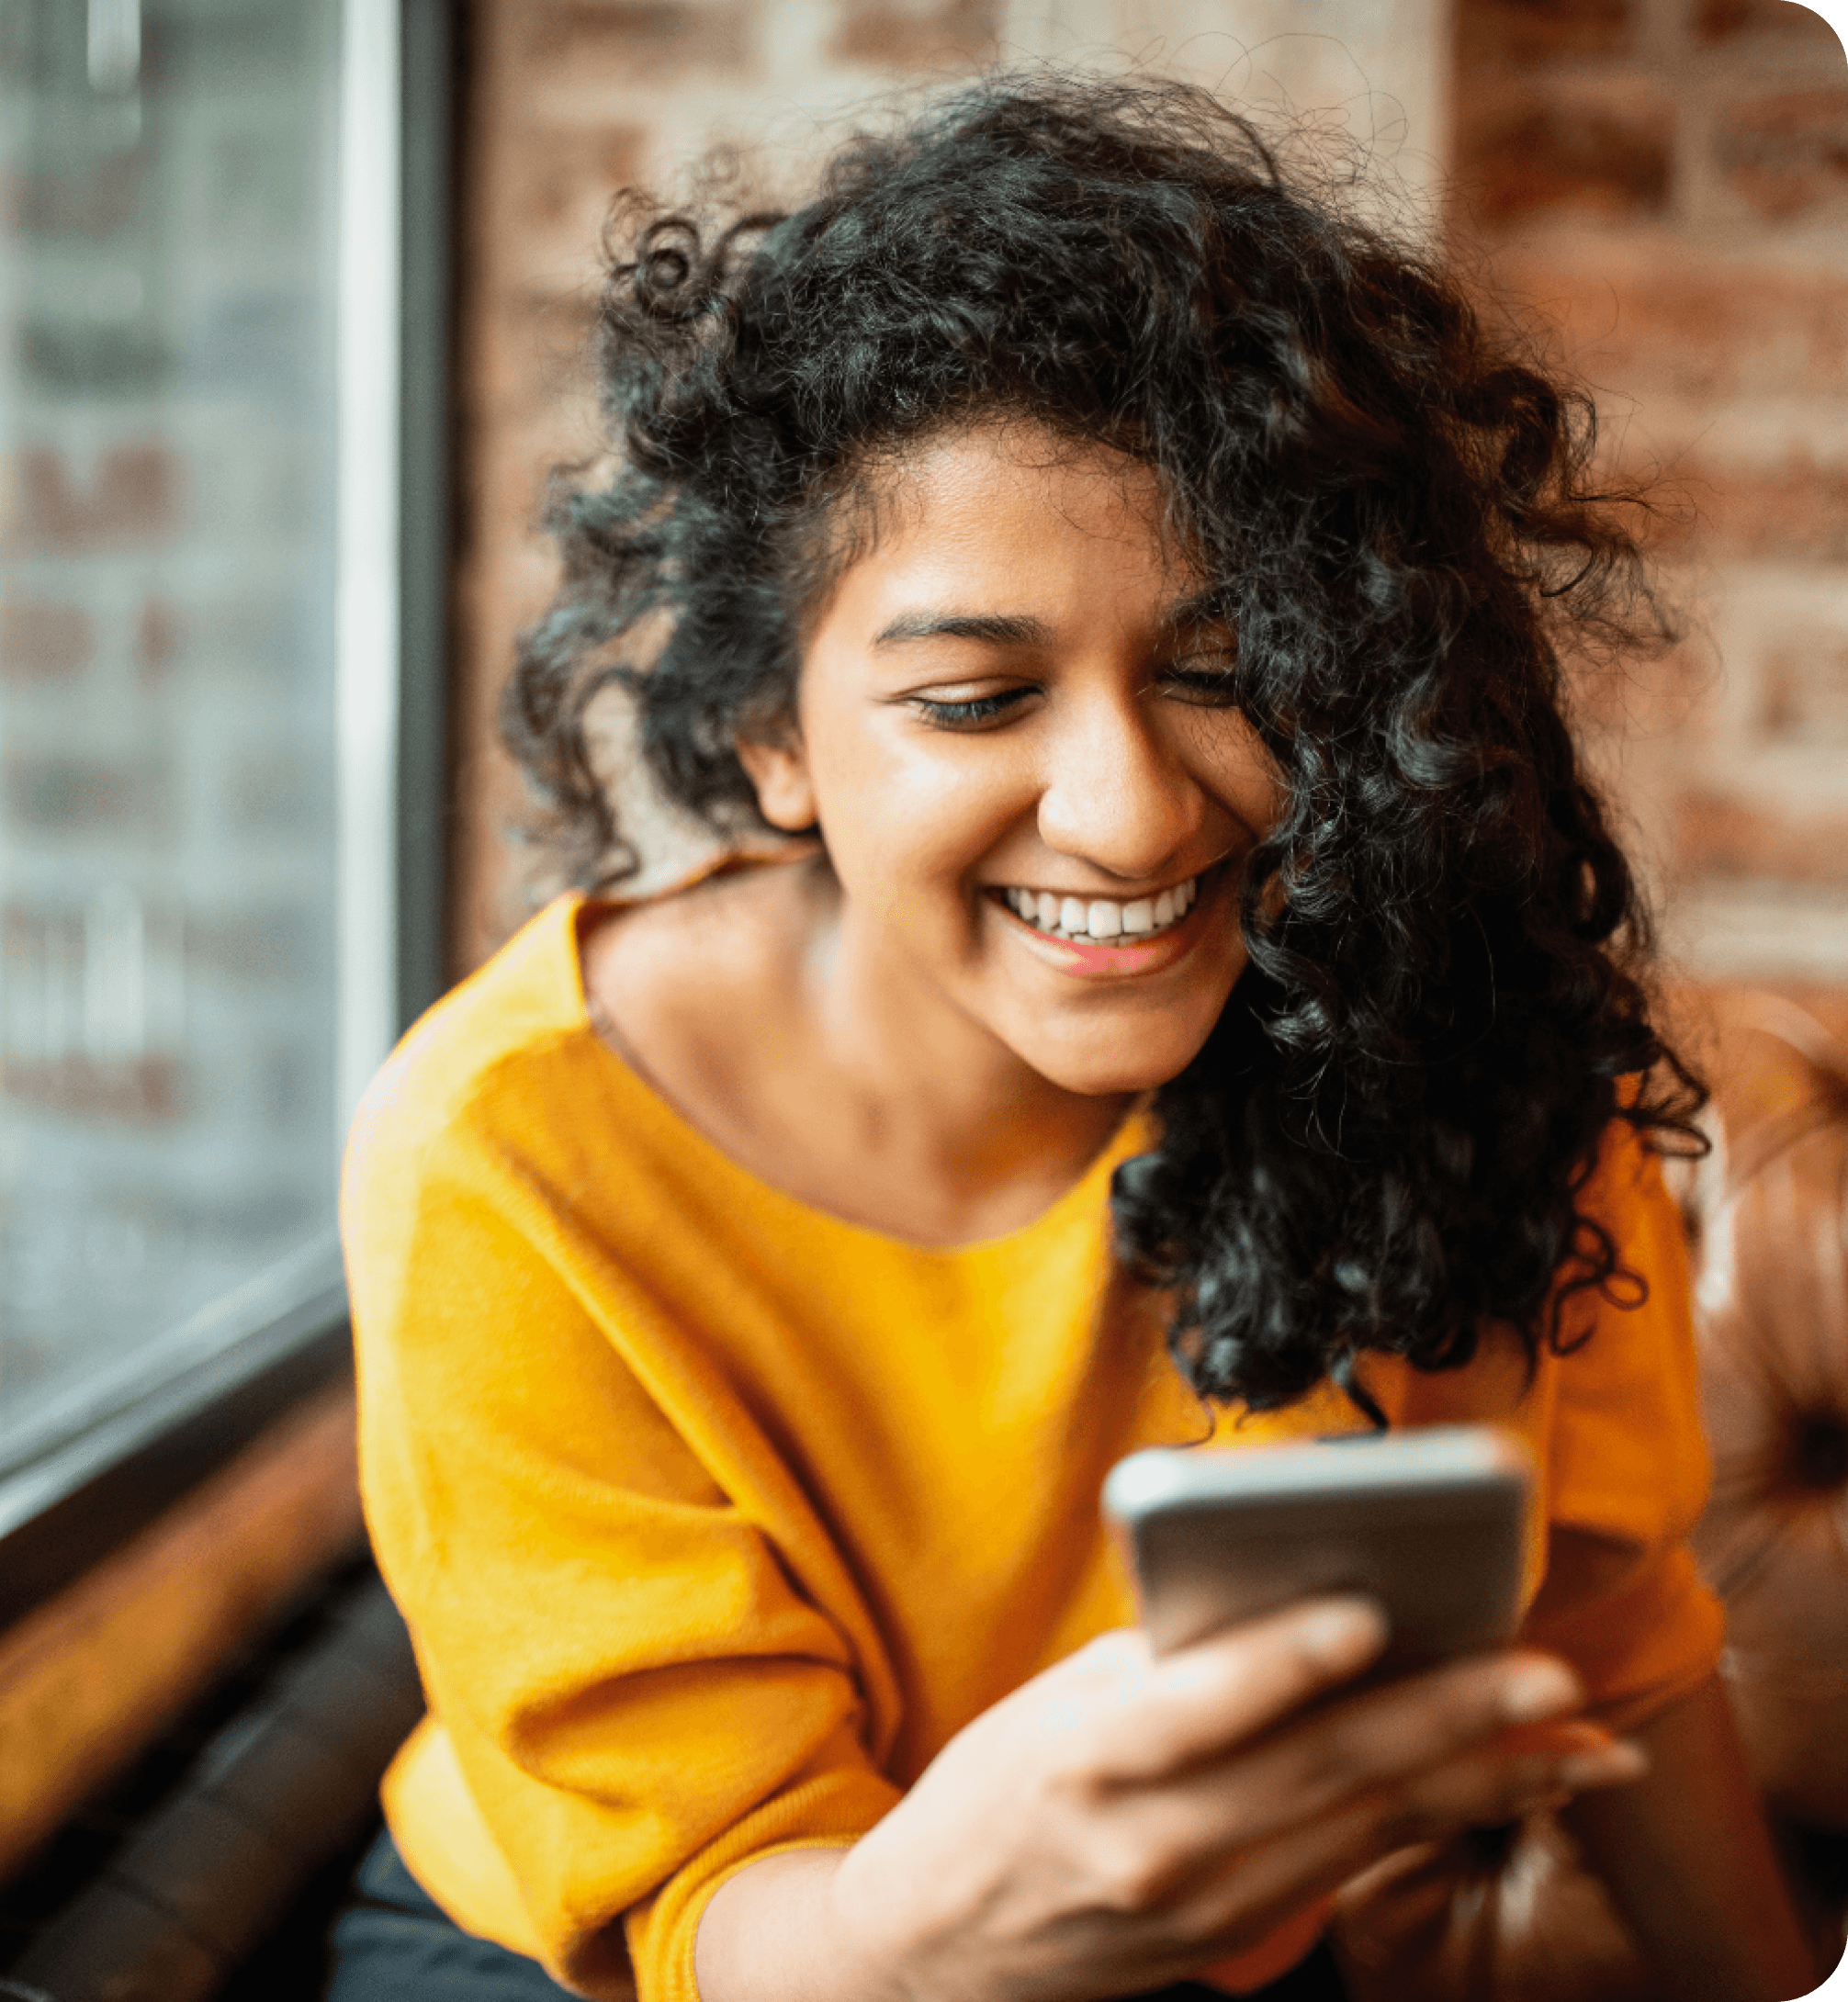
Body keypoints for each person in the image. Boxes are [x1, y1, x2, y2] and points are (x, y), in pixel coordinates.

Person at [326, 76, 1823, 2002]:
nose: (1125, 813)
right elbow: (718, 1907)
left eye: (1226, 671)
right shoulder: (510, 1152)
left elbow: (1609, 1606)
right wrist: (939, 1930)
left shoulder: (1456, 1020)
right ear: (775, 740)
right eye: (972, 700)